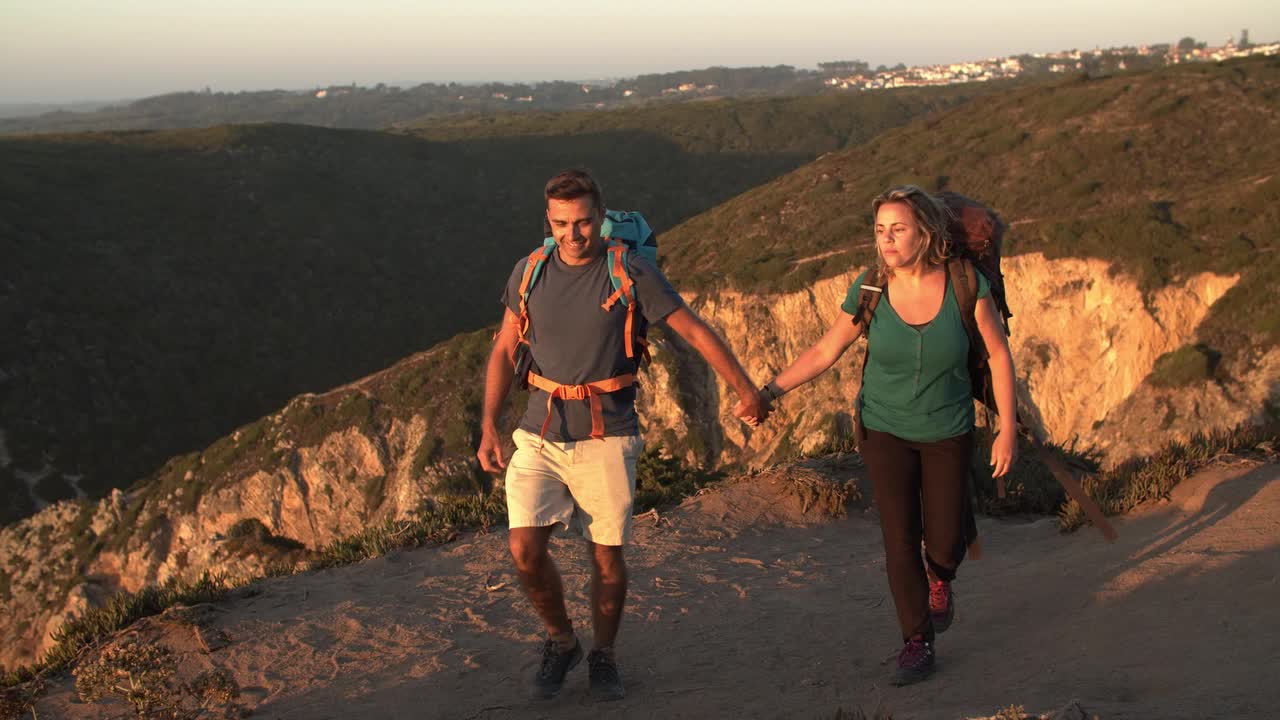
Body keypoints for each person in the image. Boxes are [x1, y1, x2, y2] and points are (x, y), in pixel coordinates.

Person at [477, 169, 768, 701]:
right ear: (549, 221)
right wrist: (489, 426)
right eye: (561, 223)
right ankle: (562, 640)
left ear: (600, 218)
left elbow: (696, 329)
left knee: (605, 555)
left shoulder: (630, 271)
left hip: (607, 433)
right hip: (538, 431)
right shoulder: (529, 271)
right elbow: (503, 348)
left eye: (583, 222)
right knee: (524, 548)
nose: (573, 234)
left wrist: (745, 389)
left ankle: (603, 654)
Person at [750, 185, 1017, 686]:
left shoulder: (964, 285)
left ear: (927, 233)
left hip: (948, 430)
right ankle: (916, 642)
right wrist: (769, 391)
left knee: (942, 542)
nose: (887, 240)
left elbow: (999, 356)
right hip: (883, 429)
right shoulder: (870, 287)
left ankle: (942, 577)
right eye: (880, 230)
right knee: (899, 540)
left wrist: (1006, 429)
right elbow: (826, 350)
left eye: (898, 229)